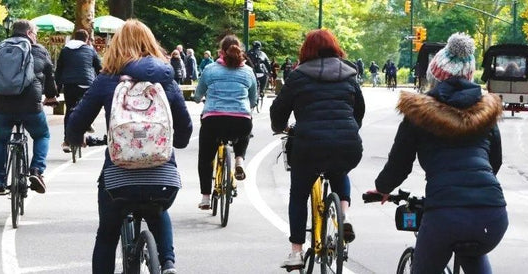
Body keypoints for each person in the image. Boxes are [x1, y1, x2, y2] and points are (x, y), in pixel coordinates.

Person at [367, 32, 507, 274]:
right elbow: (495, 161)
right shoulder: (486, 115)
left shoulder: (419, 114)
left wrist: (383, 188)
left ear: (434, 76)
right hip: (492, 214)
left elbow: (400, 163)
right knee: (473, 253)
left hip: (445, 214)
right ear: (470, 75)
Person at [65, 19, 193, 274]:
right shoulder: (166, 79)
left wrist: (75, 138)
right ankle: (168, 263)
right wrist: (176, 142)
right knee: (157, 210)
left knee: (107, 234)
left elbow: (76, 122)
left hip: (118, 178)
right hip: (163, 177)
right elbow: (185, 127)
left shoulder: (107, 79)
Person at [270, 29, 365, 268]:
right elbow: (359, 110)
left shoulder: (298, 75)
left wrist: (279, 127)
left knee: (299, 194)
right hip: (347, 143)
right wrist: (350, 129)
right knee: (339, 170)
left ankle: (296, 252)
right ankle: (344, 216)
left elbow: (279, 109)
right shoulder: (349, 74)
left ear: (306, 49)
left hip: (309, 145)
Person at [0, 19, 58, 195]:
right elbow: (49, 75)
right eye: (36, 34)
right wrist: (51, 96)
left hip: (2, 104)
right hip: (31, 104)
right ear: (29, 33)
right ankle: (36, 170)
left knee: (0, 140)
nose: (36, 38)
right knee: (42, 135)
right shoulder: (39, 50)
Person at [193, 35, 257, 209]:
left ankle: (205, 198)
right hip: (241, 121)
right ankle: (239, 159)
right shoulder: (248, 71)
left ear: (221, 51)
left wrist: (198, 99)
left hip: (213, 120)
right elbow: (253, 100)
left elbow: (198, 95)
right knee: (245, 127)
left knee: (205, 158)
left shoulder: (210, 70)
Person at [55, 29, 102, 153]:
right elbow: (99, 68)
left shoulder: (65, 50)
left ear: (74, 37)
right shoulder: (90, 50)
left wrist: (57, 89)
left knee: (69, 110)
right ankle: (87, 124)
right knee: (88, 108)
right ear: (86, 39)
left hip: (69, 84)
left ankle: (66, 141)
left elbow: (59, 70)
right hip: (86, 83)